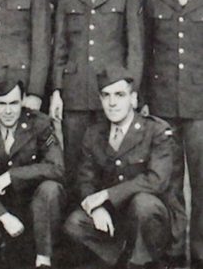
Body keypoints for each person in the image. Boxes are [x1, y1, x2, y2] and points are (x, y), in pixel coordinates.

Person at [50, 0, 144, 196]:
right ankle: (76, 233)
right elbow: (60, 46)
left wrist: (133, 89)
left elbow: (134, 47)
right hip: (76, 92)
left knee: (112, 163)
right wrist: (56, 90)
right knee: (75, 165)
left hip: (112, 94)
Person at [64, 66, 175, 269]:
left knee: (143, 204)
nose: (112, 102)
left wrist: (107, 195)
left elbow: (156, 180)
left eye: (119, 95)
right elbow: (85, 179)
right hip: (115, 220)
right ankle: (123, 256)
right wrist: (96, 207)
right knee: (74, 223)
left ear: (133, 99)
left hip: (148, 218)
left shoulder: (156, 131)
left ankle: (143, 261)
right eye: (106, 96)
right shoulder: (94, 134)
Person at [143, 0, 200, 269]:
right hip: (164, 104)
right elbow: (147, 54)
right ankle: (175, 253)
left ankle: (201, 252)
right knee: (169, 182)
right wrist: (146, 99)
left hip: (200, 105)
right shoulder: (153, 0)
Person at [0, 68, 64, 269]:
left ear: (23, 100)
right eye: (2, 104)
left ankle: (43, 261)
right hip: (0, 210)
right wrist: (3, 216)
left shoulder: (40, 123)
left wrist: (14, 175)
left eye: (14, 103)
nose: (8, 110)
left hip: (34, 211)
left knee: (50, 189)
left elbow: (57, 168)